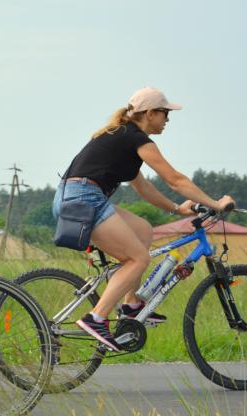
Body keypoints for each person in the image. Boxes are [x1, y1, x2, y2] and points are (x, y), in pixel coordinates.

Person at [53, 87, 235, 351]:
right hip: (83, 198)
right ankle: (97, 318)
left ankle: (130, 305)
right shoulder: (134, 138)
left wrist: (177, 209)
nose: (168, 119)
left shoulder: (124, 138)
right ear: (149, 113)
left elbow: (142, 187)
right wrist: (215, 204)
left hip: (77, 196)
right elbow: (175, 179)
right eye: (165, 113)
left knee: (143, 230)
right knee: (138, 259)